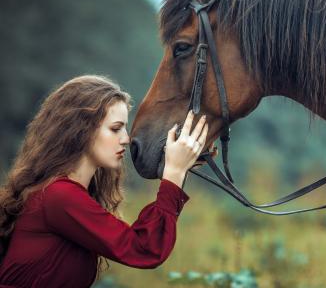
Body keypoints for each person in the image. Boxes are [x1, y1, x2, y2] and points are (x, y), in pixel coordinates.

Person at [0, 75, 208, 288]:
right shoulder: (58, 196)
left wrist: (178, 170)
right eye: (115, 128)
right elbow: (144, 249)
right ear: (80, 130)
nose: (126, 138)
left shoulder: (63, 193)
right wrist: (173, 173)